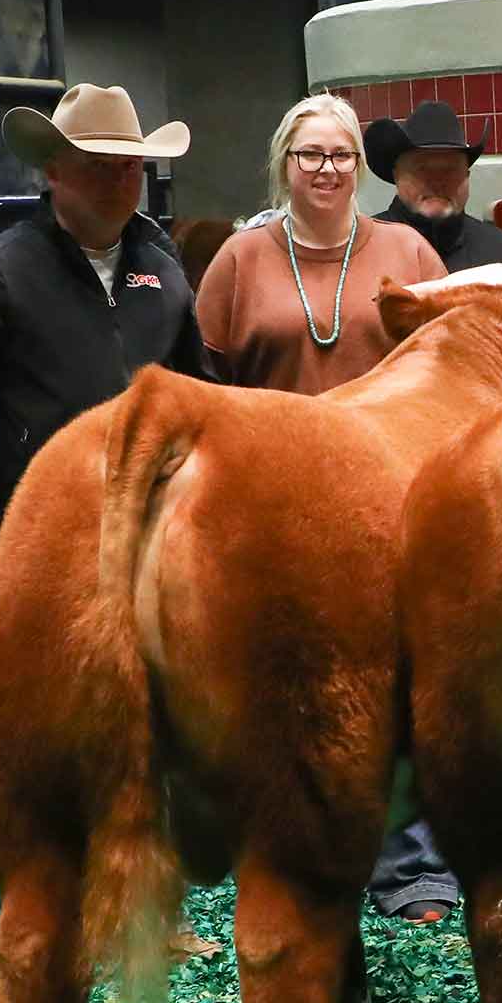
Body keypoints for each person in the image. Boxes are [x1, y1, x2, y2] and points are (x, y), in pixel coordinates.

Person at [197, 93, 456, 925]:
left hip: (396, 495)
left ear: (360, 166)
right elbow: (208, 390)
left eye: (340, 154)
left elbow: (451, 372)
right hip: (276, 504)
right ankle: (302, 860)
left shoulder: (409, 251)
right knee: (295, 689)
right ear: (284, 163)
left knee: (406, 676)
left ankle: (412, 864)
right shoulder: (238, 260)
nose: (326, 169)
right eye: (310, 154)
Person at [0, 83, 210, 550]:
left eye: (128, 167)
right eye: (97, 166)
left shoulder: (164, 270)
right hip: (41, 534)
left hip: (152, 530)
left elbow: (199, 393)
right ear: (54, 171)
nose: (117, 182)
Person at [365, 100, 502, 272]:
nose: (437, 181)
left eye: (450, 170)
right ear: (397, 175)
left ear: (467, 176)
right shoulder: (362, 249)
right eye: (422, 169)